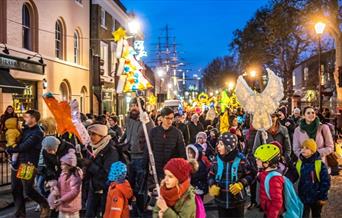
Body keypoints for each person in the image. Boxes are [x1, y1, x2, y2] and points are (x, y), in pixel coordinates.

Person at [6, 110, 50, 218]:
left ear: (33, 119)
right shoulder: (24, 130)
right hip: (17, 163)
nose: (24, 118)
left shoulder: (37, 132)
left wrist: (10, 149)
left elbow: (24, 146)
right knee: (15, 189)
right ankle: (20, 214)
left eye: (27, 117)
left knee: (28, 190)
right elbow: (16, 142)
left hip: (28, 163)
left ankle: (44, 204)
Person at [208, 132, 256, 218]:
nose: (218, 146)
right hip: (221, 201)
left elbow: (251, 175)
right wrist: (212, 184)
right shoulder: (216, 160)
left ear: (229, 146)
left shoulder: (242, 160)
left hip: (237, 202)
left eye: (221, 144)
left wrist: (242, 184)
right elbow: (211, 175)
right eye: (218, 143)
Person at [122, 97, 154, 216]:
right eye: (132, 105)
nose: (133, 108)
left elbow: (151, 137)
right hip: (130, 156)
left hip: (141, 157)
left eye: (136, 105)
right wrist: (122, 142)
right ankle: (134, 208)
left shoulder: (146, 120)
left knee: (141, 186)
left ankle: (142, 210)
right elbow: (127, 133)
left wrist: (146, 153)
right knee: (130, 183)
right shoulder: (129, 119)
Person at [82, 124, 119, 218]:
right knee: (89, 214)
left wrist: (90, 165)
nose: (91, 137)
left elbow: (108, 173)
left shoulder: (111, 150)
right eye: (89, 134)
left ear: (102, 136)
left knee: (104, 214)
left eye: (94, 134)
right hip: (93, 187)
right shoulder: (91, 148)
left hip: (106, 189)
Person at [296, 139, 330, 218]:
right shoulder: (299, 163)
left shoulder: (319, 164)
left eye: (306, 148)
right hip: (303, 197)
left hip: (316, 198)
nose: (303, 149)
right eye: (302, 147)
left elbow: (325, 182)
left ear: (312, 151)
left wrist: (323, 197)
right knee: (304, 215)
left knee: (316, 215)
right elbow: (295, 176)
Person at [150, 107, 186, 181]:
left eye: (171, 118)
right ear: (162, 118)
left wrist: (183, 167)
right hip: (158, 167)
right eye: (167, 118)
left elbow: (182, 152)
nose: (170, 121)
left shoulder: (177, 133)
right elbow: (148, 149)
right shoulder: (154, 132)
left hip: (171, 168)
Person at [254, 144, 285, 218]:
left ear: (267, 163)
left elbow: (277, 201)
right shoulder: (265, 172)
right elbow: (260, 177)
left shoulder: (274, 179)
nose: (256, 160)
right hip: (267, 209)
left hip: (274, 214)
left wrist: (272, 216)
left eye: (258, 159)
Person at [50, 149, 83, 218]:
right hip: (63, 204)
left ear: (70, 165)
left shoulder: (75, 176)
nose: (61, 166)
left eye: (63, 164)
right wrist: (53, 184)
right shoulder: (63, 173)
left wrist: (61, 200)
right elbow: (59, 185)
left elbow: (74, 192)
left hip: (71, 205)